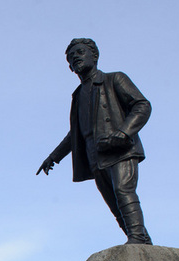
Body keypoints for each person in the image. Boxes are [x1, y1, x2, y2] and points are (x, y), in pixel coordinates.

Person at [37, 38, 153, 245]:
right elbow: (75, 133)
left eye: (80, 52)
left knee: (123, 192)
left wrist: (124, 132)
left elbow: (142, 105)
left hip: (120, 149)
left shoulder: (114, 79)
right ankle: (141, 241)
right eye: (71, 57)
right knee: (114, 204)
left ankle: (137, 238)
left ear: (95, 56)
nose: (75, 58)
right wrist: (53, 157)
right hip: (96, 156)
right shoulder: (78, 95)